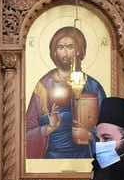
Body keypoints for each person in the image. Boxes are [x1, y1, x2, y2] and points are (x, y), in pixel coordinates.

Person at [28, 26, 107, 160]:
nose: (65, 53)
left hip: (86, 159)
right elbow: (27, 131)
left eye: (70, 47)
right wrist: (49, 128)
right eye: (60, 47)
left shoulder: (92, 85)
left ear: (78, 51)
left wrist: (89, 135)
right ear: (54, 52)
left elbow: (108, 127)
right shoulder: (43, 86)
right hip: (52, 159)